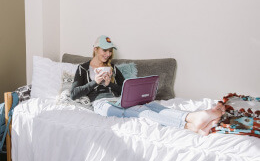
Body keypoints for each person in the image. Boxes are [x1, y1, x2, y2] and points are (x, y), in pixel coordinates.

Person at [70, 35, 225, 136]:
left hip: (118, 98)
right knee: (140, 111)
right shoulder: (83, 68)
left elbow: (126, 88)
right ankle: (189, 127)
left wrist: (110, 84)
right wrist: (94, 82)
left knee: (151, 104)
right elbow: (74, 93)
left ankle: (192, 116)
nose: (107, 54)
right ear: (95, 49)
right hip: (101, 104)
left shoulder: (113, 68)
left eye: (110, 51)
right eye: (104, 50)